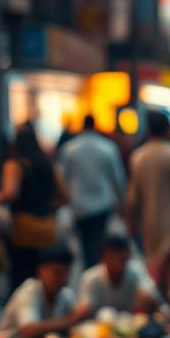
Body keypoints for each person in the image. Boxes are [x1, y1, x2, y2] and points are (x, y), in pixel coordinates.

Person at [0, 123, 66, 296]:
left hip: (23, 231)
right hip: (47, 229)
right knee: (44, 280)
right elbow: (64, 196)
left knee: (21, 282)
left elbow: (11, 193)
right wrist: (48, 206)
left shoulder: (14, 165)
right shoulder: (48, 164)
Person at [128, 111, 170, 292]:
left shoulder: (138, 156)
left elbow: (133, 197)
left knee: (155, 270)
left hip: (150, 222)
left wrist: (131, 222)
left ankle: (158, 312)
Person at [0, 244, 87, 338]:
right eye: (57, 273)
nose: (64, 279)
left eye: (67, 273)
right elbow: (29, 331)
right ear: (41, 270)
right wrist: (71, 320)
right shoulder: (28, 292)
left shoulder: (65, 295)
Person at [58, 115, 126, 268]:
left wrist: (66, 199)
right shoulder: (108, 147)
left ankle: (90, 271)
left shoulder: (70, 148)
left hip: (78, 204)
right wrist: (122, 202)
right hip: (103, 202)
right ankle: (95, 271)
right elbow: (118, 177)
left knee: (85, 245)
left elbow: (63, 177)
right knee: (98, 243)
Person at [77, 234, 162, 314]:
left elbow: (154, 299)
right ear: (102, 258)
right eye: (112, 259)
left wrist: (145, 297)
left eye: (121, 259)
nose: (117, 264)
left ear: (128, 257)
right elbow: (84, 309)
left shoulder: (136, 271)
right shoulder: (91, 278)